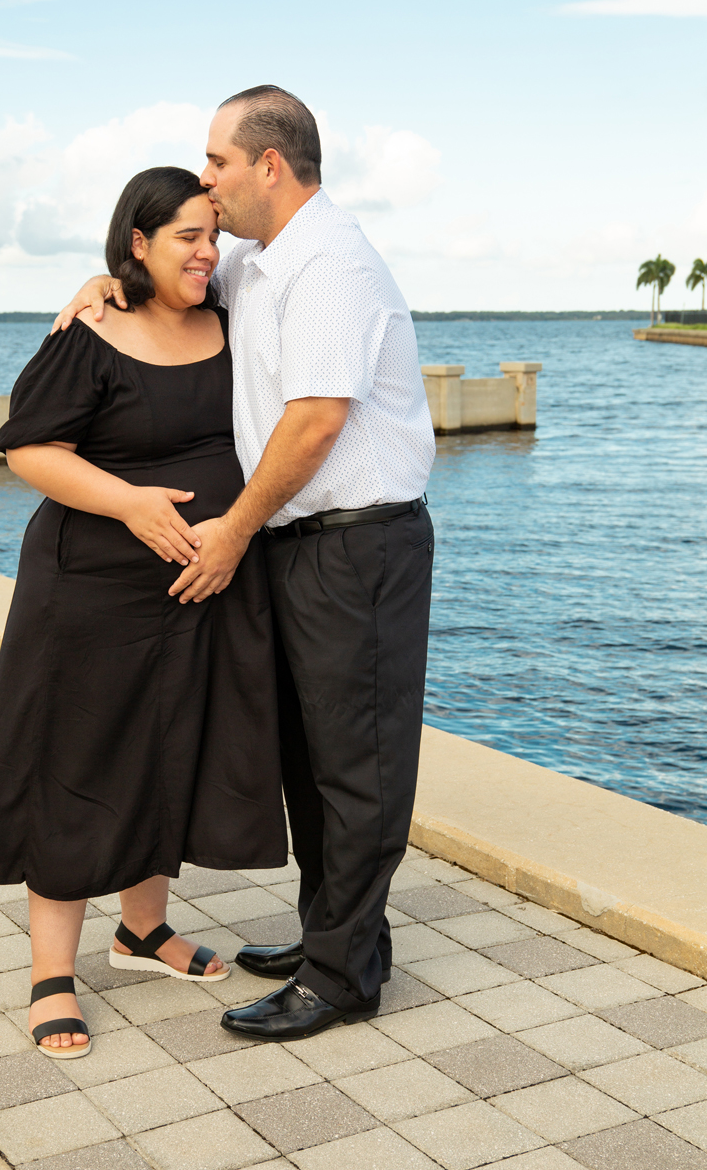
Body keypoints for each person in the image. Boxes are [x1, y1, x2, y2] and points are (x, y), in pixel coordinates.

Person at [54, 85, 436, 1041]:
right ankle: (330, 935)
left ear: (270, 163)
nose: (209, 185)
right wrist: (103, 284)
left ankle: (344, 978)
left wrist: (228, 532)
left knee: (359, 767)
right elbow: (172, 292)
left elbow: (315, 420)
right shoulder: (260, 267)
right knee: (309, 760)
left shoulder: (331, 266)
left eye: (217, 162)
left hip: (359, 545)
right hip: (298, 548)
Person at [0, 166, 287, 1059]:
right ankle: (51, 975)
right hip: (91, 590)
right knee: (74, 760)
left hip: (197, 588)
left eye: (213, 235)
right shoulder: (93, 328)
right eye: (187, 235)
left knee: (167, 749)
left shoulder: (227, 321)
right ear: (137, 242)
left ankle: (143, 932)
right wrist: (132, 504)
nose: (208, 251)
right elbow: (30, 450)